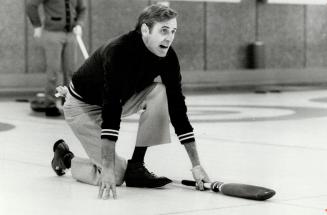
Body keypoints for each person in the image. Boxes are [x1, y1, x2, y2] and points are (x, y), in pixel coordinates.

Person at [51, 3, 210, 200]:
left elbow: (178, 109)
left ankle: (136, 165)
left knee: (162, 92)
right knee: (116, 175)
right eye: (163, 30)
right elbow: (112, 108)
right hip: (82, 106)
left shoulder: (168, 58)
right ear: (145, 29)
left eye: (173, 31)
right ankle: (66, 159)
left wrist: (196, 165)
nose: (169, 38)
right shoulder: (119, 52)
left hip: (116, 99)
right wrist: (107, 168)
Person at [26, 0, 87, 117]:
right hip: (52, 33)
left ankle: (68, 104)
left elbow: (82, 8)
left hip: (71, 34)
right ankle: (50, 104)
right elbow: (31, 5)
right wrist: (37, 26)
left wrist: (79, 24)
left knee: (71, 72)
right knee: (53, 71)